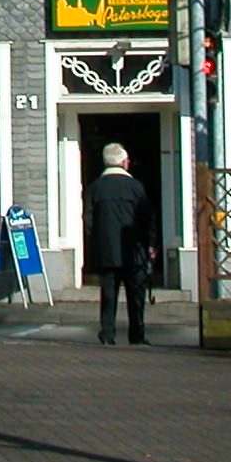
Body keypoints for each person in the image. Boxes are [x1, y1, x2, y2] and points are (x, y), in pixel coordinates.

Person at [84, 142, 152, 345]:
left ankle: (107, 333)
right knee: (136, 295)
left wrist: (96, 240)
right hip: (134, 251)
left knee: (108, 294)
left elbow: (88, 219)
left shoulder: (95, 187)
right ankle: (137, 334)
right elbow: (147, 218)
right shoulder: (136, 187)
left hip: (106, 250)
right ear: (124, 163)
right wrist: (150, 244)